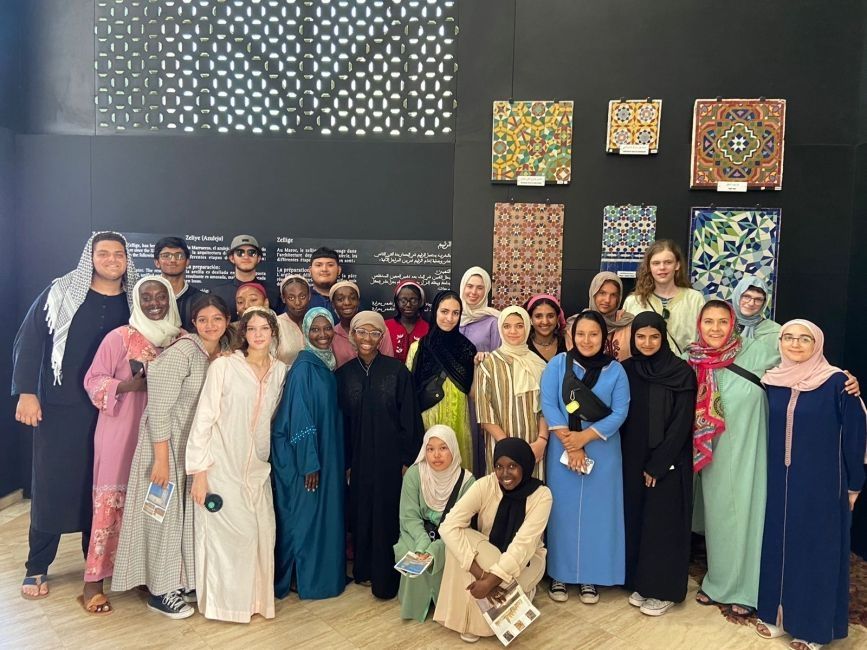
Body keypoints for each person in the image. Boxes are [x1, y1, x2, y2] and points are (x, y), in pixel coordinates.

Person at [13, 232, 138, 601]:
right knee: (52, 485)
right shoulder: (60, 293)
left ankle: (94, 565)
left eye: (119, 254)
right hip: (62, 407)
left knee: (100, 487)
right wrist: (27, 393)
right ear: (90, 257)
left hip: (114, 410)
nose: (112, 260)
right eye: (104, 253)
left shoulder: (136, 301)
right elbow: (30, 341)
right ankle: (37, 565)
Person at [111, 294, 232, 618]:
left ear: (227, 321)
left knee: (184, 521)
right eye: (203, 319)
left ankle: (180, 580)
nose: (211, 325)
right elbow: (159, 411)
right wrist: (161, 461)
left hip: (189, 453)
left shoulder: (215, 354)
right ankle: (160, 591)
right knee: (159, 520)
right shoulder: (182, 353)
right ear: (193, 322)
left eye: (217, 319)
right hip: (162, 451)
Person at [756, 321, 866, 650]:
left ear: (817, 344)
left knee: (816, 552)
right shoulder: (772, 381)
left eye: (805, 339)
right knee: (779, 547)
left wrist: (854, 483)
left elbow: (856, 434)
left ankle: (814, 629)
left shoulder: (837, 382)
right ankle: (777, 615)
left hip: (822, 484)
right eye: (789, 337)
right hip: (779, 482)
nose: (796, 344)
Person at [80, 276, 181, 614]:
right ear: (137, 302)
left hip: (162, 440)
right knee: (111, 507)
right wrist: (126, 387)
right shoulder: (119, 338)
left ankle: (144, 574)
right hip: (121, 436)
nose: (154, 303)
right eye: (147, 297)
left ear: (170, 300)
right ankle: (92, 583)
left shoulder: (179, 340)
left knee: (154, 507)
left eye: (160, 297)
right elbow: (92, 380)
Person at [186, 307, 287, 623]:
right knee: (229, 538)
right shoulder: (225, 367)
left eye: (264, 329)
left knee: (262, 534)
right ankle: (224, 605)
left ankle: (256, 601)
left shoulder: (280, 371)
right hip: (221, 466)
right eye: (252, 328)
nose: (258, 334)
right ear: (244, 333)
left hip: (257, 468)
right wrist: (200, 473)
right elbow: (204, 418)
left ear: (273, 333)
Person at [687, 300, 777, 616]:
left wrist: (840, 379)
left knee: (750, 516)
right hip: (716, 451)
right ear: (699, 325)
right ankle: (719, 583)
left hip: (751, 447)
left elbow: (800, 367)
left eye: (722, 322)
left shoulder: (756, 351)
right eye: (708, 322)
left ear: (733, 324)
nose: (715, 329)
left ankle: (748, 591)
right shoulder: (695, 359)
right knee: (720, 518)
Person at [540, 311, 630, 605]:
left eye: (594, 334)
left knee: (598, 515)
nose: (587, 340)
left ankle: (591, 575)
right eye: (581, 334)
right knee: (562, 513)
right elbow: (549, 403)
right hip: (563, 448)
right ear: (571, 336)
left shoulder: (616, 371)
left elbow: (620, 412)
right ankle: (560, 575)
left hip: (602, 450)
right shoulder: (557, 365)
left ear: (604, 337)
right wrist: (571, 443)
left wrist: (585, 438)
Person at [337, 311, 424, 599]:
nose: (367, 339)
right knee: (361, 511)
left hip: (390, 460)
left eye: (375, 333)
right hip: (358, 460)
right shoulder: (343, 375)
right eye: (361, 332)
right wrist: (347, 463)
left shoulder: (397, 372)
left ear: (382, 337)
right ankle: (363, 569)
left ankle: (387, 573)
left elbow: (409, 418)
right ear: (353, 336)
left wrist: (406, 459)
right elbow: (341, 423)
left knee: (388, 513)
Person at [433, 438, 552, 643]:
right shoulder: (486, 484)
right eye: (499, 467)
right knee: (459, 538)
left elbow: (522, 546)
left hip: (527, 561)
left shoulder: (542, 495)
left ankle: (520, 593)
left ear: (525, 465)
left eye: (512, 466)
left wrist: (490, 581)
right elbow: (447, 525)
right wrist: (483, 576)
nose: (504, 474)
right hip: (488, 554)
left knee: (475, 554)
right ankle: (475, 616)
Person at [620, 312, 697, 616]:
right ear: (633, 338)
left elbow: (682, 423)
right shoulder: (626, 370)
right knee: (638, 520)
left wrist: (658, 464)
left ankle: (663, 590)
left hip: (668, 460)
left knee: (663, 525)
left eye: (654, 336)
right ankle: (641, 582)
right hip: (632, 457)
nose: (648, 343)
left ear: (664, 337)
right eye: (641, 337)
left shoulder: (681, 372)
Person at [272, 307, 346, 600]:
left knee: (322, 519)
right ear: (304, 332)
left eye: (327, 328)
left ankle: (320, 575)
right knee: (305, 520)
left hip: (325, 455)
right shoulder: (304, 368)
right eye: (314, 330)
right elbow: (299, 420)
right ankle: (302, 578)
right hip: (308, 460)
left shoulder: (324, 364)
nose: (322, 334)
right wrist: (309, 464)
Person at [393, 425, 475, 622]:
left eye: (443, 448)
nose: (436, 455)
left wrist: (434, 549)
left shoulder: (467, 481)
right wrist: (422, 544)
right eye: (430, 449)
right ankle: (416, 604)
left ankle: (443, 603)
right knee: (410, 550)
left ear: (453, 449)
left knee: (450, 553)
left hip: (452, 535)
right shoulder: (415, 474)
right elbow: (408, 516)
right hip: (416, 532)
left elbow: (461, 523)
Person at [407, 290, 477, 473]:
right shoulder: (419, 348)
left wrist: (478, 366)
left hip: (458, 420)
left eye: (455, 313)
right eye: (444, 311)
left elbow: (472, 392)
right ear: (435, 312)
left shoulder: (468, 349)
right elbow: (409, 393)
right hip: (427, 421)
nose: (450, 318)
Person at [475, 306, 549, 478]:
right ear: (500, 328)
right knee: (501, 493)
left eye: (519, 325)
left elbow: (546, 407)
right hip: (500, 445)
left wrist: (542, 441)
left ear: (528, 327)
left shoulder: (539, 365)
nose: (513, 331)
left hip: (534, 446)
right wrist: (508, 446)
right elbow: (485, 413)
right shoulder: (489, 365)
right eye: (507, 326)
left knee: (532, 496)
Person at [622, 239, 705, 355]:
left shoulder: (695, 299)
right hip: (643, 371)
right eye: (656, 263)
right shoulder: (633, 302)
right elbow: (626, 342)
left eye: (668, 262)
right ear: (649, 267)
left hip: (683, 369)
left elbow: (703, 341)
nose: (662, 267)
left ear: (677, 265)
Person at [209, 235, 279, 320]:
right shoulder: (217, 294)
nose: (246, 257)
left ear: (258, 258)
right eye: (240, 252)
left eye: (251, 252)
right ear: (231, 258)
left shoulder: (273, 292)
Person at [330, 280, 395, 367]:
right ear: (333, 304)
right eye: (340, 299)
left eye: (352, 298)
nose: (347, 303)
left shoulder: (378, 329)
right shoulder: (331, 335)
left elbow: (388, 363)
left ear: (358, 301)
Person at [153, 236, 202, 332]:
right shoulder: (145, 298)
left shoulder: (200, 299)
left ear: (187, 261)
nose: (172, 260)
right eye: (166, 256)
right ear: (157, 262)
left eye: (179, 255)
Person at [588, 272, 635, 361]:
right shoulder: (577, 324)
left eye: (613, 295)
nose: (607, 300)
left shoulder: (628, 323)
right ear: (593, 293)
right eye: (602, 293)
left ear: (619, 298)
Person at [386, 279, 429, 363]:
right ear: (397, 302)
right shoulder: (385, 327)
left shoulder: (428, 329)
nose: (408, 305)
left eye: (413, 300)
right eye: (403, 301)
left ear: (420, 302)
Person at [731, 274, 780, 343]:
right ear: (737, 296)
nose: (751, 303)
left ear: (764, 303)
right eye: (746, 296)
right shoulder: (719, 324)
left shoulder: (774, 331)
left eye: (758, 299)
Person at [275, 274, 310, 365]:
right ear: (283, 299)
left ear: (309, 296)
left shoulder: (315, 322)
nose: (297, 302)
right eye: (291, 298)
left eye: (302, 297)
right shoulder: (276, 324)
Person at [524, 294, 567, 362]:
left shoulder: (567, 344)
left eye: (550, 316)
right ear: (530, 319)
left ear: (557, 318)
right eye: (538, 316)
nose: (545, 322)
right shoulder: (523, 347)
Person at [307, 246, 342, 320]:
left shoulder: (350, 300)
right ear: (310, 270)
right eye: (318, 265)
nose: (324, 269)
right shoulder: (302, 299)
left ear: (339, 270)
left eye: (330, 265)